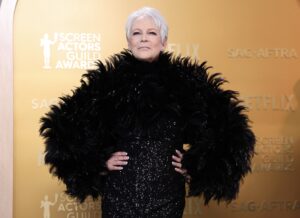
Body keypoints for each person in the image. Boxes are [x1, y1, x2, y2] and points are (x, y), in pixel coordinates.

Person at [40, 7, 255, 218]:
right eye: (137, 33)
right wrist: (97, 163)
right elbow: (62, 129)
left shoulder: (186, 83)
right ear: (128, 41)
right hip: (119, 197)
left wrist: (198, 166)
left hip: (167, 197)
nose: (144, 38)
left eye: (151, 33)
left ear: (163, 41)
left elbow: (230, 128)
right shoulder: (106, 84)